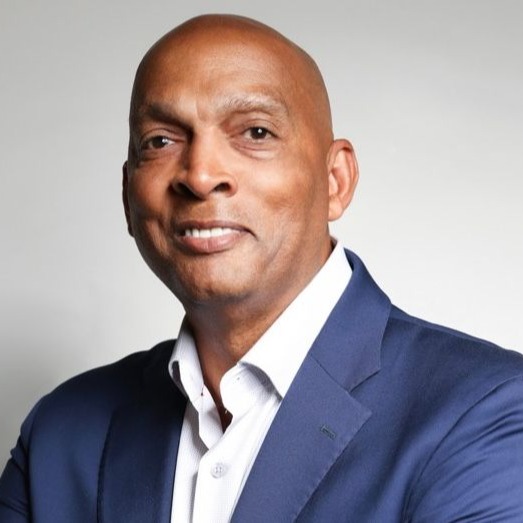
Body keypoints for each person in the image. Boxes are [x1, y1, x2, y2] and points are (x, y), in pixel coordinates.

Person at [1, 13, 522, 523]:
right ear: (126, 195)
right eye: (160, 141)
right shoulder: (61, 433)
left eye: (255, 132)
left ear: (336, 181)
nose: (200, 175)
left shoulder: (486, 411)